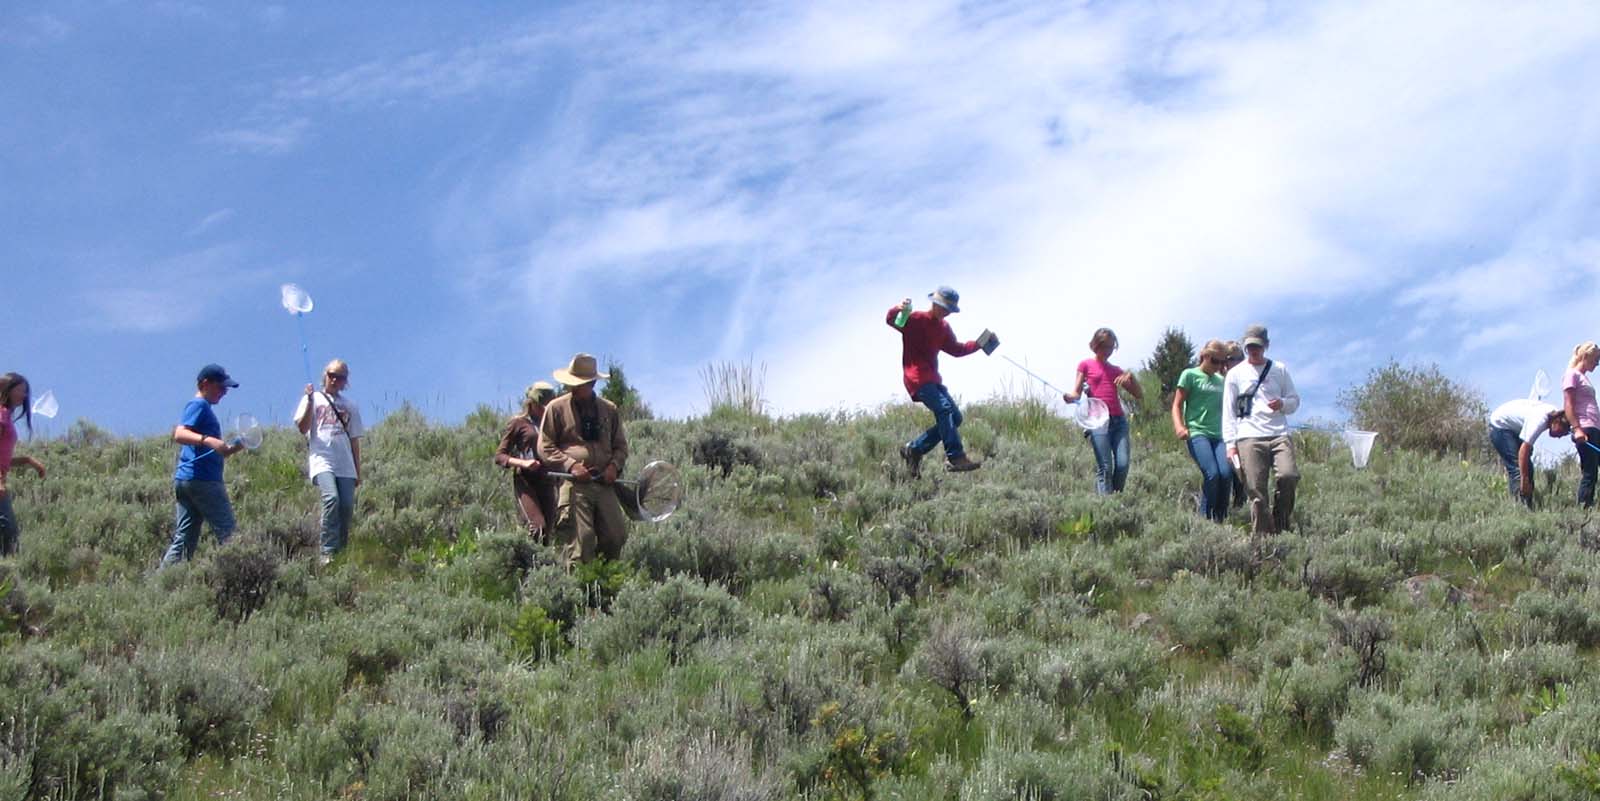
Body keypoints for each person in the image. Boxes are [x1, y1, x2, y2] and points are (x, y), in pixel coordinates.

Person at [538, 354, 629, 566]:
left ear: (592, 383)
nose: (574, 388)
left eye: (580, 384)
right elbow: (546, 446)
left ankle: (605, 583)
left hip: (604, 483)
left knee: (616, 535)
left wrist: (614, 467)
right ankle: (580, 591)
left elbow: (621, 446)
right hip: (574, 485)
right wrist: (571, 465)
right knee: (581, 541)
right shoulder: (556, 408)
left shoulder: (609, 409)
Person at [888, 286, 984, 476]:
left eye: (950, 310)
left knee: (955, 418)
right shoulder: (915, 319)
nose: (947, 313)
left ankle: (914, 449)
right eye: (944, 307)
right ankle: (955, 456)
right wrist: (899, 308)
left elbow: (956, 349)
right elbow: (891, 320)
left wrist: (979, 344)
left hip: (933, 380)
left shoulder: (944, 328)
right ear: (934, 303)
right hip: (917, 378)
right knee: (944, 409)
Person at [162, 364, 245, 566]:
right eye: (221, 387)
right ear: (205, 384)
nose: (224, 392)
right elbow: (180, 434)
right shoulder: (198, 405)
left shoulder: (203, 408)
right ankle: (241, 574)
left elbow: (216, 451)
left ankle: (164, 582)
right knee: (229, 533)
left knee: (184, 538)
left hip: (187, 479)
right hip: (203, 480)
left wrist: (233, 447)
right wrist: (207, 439)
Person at [1222, 325, 1300, 534]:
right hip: (1248, 436)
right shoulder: (1235, 374)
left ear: (1266, 345)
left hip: (1278, 434)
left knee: (1288, 476)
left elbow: (1294, 401)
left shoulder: (1279, 369)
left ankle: (1281, 525)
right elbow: (1228, 411)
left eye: (1257, 346)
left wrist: (1282, 403)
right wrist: (1230, 445)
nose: (1253, 351)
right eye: (1249, 347)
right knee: (1256, 489)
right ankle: (1263, 540)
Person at [294, 359, 365, 561]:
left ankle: (340, 553)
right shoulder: (313, 398)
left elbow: (354, 440)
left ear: (345, 381)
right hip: (322, 459)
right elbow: (303, 427)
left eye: (339, 377)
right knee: (331, 498)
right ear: (324, 375)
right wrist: (308, 401)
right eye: (331, 375)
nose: (334, 380)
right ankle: (327, 551)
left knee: (346, 507)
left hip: (345, 463)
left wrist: (358, 471)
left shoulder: (350, 406)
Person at [1063, 328, 1143, 494]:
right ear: (1096, 345)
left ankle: (1114, 502)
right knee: (1105, 467)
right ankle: (1105, 507)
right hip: (1097, 420)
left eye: (1111, 348)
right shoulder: (1085, 364)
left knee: (1122, 465)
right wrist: (1070, 397)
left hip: (1118, 421)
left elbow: (1138, 394)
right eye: (1105, 346)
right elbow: (1076, 391)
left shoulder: (1116, 370)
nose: (1108, 351)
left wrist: (1131, 378)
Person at [1172, 340, 1232, 521]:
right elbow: (1177, 405)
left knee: (1226, 474)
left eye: (1221, 362)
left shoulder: (1222, 381)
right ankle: (1205, 518)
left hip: (1219, 435)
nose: (1218, 366)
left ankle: (1220, 518)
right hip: (1198, 432)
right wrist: (1179, 426)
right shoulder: (1189, 375)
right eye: (1214, 360)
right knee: (1212, 474)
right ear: (1204, 356)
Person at [496, 381, 559, 544]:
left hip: (547, 481)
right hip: (526, 481)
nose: (544, 409)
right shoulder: (518, 423)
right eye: (541, 405)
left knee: (547, 534)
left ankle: (541, 567)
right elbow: (500, 456)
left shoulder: (552, 424)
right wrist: (523, 463)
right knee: (537, 528)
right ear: (531, 403)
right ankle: (526, 563)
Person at [1487, 398, 1571, 507]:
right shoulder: (1540, 420)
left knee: (1528, 469)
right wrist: (1524, 480)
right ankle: (1519, 508)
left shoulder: (1554, 414)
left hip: (1514, 430)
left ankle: (1529, 505)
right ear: (1557, 422)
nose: (1560, 437)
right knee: (1518, 470)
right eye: (1562, 432)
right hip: (1500, 426)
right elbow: (1524, 450)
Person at [0, 373, 47, 557]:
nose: (25, 396)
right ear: (9, 389)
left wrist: (28, 461)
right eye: (22, 390)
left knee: (8, 533)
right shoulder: (2, 414)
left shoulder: (5, 416)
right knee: (8, 532)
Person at [1564, 342, 1600, 507]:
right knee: (1590, 472)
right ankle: (1584, 510)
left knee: (1593, 471)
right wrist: (1577, 429)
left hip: (1595, 428)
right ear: (1586, 357)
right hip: (1585, 428)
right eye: (1596, 359)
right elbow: (1568, 404)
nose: (1597, 363)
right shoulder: (1571, 375)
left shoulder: (1585, 378)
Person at [1222, 342, 1247, 511]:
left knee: (1240, 475)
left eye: (1233, 359)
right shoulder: (1217, 381)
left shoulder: (1244, 381)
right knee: (1223, 474)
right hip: (1218, 433)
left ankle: (1239, 510)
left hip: (1240, 432)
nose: (1228, 363)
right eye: (1226, 359)